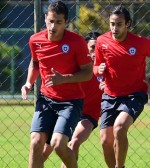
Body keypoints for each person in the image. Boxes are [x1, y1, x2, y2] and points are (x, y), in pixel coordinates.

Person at [21, 1, 93, 168]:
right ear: (45, 18)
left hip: (70, 102)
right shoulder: (35, 40)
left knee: (58, 144)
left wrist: (64, 79)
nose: (53, 26)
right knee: (35, 143)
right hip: (46, 99)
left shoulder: (76, 41)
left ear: (66, 22)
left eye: (58, 22)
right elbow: (35, 63)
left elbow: (88, 72)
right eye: (51, 21)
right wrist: (28, 83)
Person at [93, 5, 150, 168]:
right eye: (112, 24)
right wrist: (99, 70)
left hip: (134, 95)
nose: (114, 28)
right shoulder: (102, 41)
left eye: (119, 24)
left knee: (119, 128)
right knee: (105, 141)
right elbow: (96, 67)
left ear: (128, 24)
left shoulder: (141, 43)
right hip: (110, 96)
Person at [42, 32, 104, 167]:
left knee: (74, 141)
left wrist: (109, 87)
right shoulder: (78, 68)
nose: (96, 51)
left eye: (99, 48)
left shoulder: (106, 68)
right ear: (85, 49)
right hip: (67, 110)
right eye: (93, 47)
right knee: (43, 153)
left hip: (88, 116)